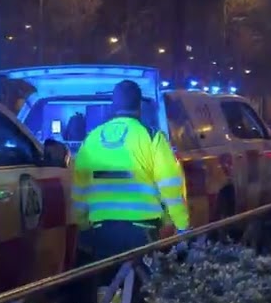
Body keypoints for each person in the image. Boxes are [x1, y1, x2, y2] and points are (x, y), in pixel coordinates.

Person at [71, 80, 189, 265]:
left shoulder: (92, 139)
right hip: (143, 231)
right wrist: (182, 228)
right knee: (143, 281)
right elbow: (170, 187)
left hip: (101, 231)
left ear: (113, 106)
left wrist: (83, 226)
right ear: (139, 105)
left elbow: (79, 189)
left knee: (108, 282)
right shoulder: (152, 137)